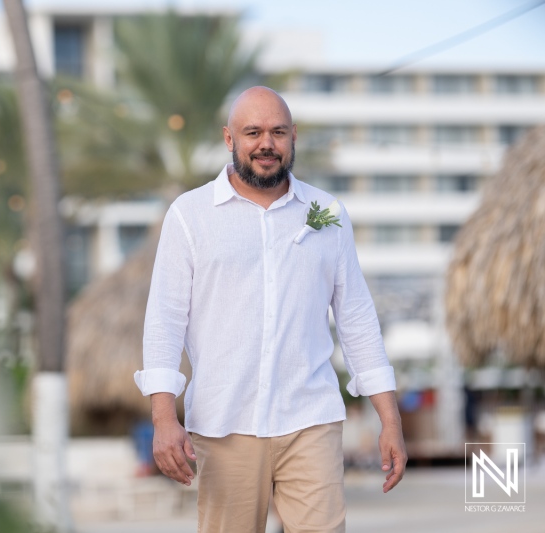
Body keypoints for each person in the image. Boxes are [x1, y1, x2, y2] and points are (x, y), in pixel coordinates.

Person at [133, 86, 407, 533]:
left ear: (293, 136)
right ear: (229, 139)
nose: (266, 143)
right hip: (224, 424)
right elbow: (164, 320)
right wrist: (164, 418)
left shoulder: (328, 213)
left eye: (278, 132)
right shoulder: (190, 214)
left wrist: (390, 419)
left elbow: (356, 318)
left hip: (310, 419)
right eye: (253, 132)